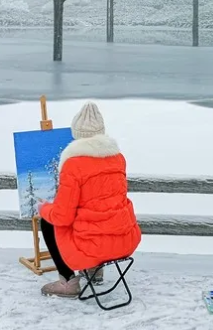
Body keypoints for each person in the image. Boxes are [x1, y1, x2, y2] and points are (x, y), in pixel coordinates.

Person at [37, 101, 142, 297]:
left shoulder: (74, 165)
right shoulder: (117, 158)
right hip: (125, 241)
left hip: (93, 247)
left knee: (49, 222)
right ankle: (95, 270)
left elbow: (62, 216)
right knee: (98, 213)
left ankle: (68, 282)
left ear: (76, 134)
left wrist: (43, 208)